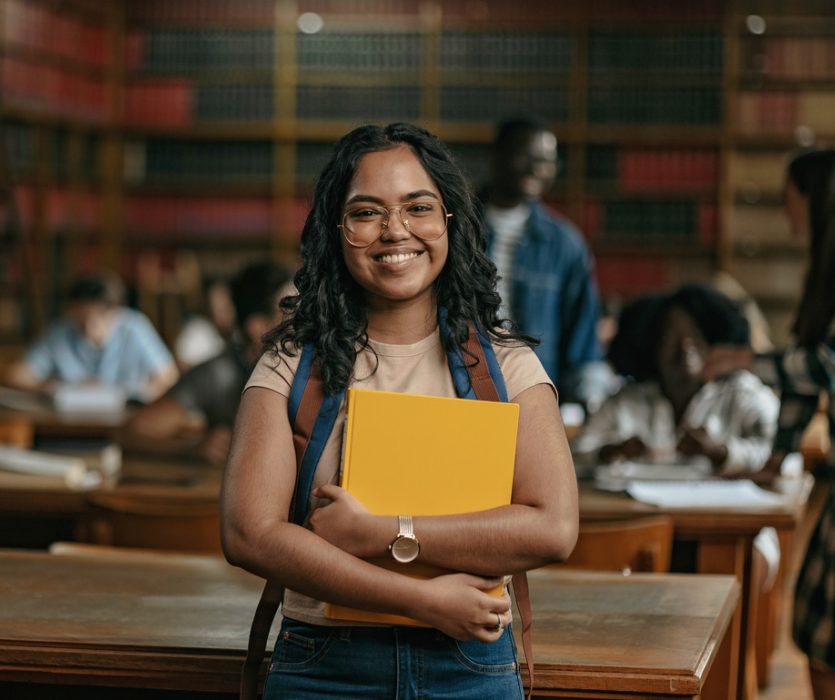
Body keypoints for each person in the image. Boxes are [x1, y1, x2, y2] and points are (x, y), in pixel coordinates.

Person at [221, 123, 578, 698]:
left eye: (418, 207)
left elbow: (554, 529)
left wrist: (382, 532)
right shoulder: (289, 365)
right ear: (335, 232)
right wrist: (422, 598)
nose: (395, 231)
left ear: (449, 222)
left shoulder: (508, 367)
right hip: (323, 666)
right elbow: (249, 534)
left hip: (470, 665)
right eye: (366, 212)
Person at [705, 145, 835, 700]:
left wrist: (744, 359)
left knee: (831, 646)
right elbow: (803, 383)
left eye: (789, 200)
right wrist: (776, 455)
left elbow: (827, 366)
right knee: (818, 637)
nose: (786, 214)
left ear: (814, 199)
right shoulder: (829, 270)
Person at [477, 116, 613, 412]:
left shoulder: (566, 245)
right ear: (497, 155)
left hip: (533, 393)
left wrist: (581, 405)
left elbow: (583, 340)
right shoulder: (455, 228)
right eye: (526, 156)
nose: (536, 169)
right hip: (465, 386)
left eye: (547, 160)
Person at [573, 284, 779, 475]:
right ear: (651, 344)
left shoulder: (741, 393)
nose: (685, 347)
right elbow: (576, 455)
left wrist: (720, 452)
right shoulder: (625, 401)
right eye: (671, 336)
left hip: (722, 512)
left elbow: (783, 455)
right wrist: (611, 451)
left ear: (713, 341)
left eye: (695, 335)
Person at [123, 261, 292, 464]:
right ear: (258, 327)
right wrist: (194, 449)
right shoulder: (221, 373)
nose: (306, 321)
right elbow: (131, 433)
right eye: (291, 312)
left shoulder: (319, 366)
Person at [5, 272, 178, 403]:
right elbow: (17, 375)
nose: (89, 328)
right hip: (69, 419)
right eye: (81, 320)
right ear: (71, 312)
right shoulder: (60, 331)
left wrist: (139, 394)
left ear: (117, 312)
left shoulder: (134, 327)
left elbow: (168, 376)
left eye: (99, 318)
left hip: (123, 418)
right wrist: (51, 386)